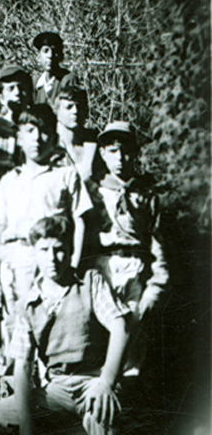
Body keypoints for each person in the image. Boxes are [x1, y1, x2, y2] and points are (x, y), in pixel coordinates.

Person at [0, 216, 129, 435]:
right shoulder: (29, 303)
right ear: (35, 253)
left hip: (92, 382)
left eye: (59, 249)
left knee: (103, 422)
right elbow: (22, 367)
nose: (52, 258)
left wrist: (106, 381)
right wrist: (26, 431)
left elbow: (121, 325)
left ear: (70, 250)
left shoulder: (89, 282)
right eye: (44, 250)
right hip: (55, 389)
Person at [0, 103, 92, 386]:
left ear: (54, 137)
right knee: (15, 330)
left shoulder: (66, 175)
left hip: (52, 262)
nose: (37, 138)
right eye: (30, 131)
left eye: (44, 131)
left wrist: (73, 264)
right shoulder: (8, 181)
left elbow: (80, 221)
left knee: (50, 326)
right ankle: (14, 397)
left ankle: (50, 395)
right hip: (15, 263)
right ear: (19, 137)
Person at [85, 121, 169, 377]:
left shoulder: (146, 194)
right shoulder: (93, 190)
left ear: (136, 153)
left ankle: (126, 392)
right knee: (99, 337)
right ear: (102, 153)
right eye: (112, 151)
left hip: (135, 269)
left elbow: (157, 244)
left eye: (126, 151)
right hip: (103, 267)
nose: (120, 158)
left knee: (133, 336)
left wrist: (156, 285)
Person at [53, 73, 98, 180]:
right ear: (57, 111)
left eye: (79, 106)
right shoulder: (50, 143)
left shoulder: (93, 142)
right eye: (69, 107)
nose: (75, 111)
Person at [32, 31, 69, 105]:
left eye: (55, 51)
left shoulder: (67, 80)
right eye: (46, 51)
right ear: (38, 56)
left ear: (61, 55)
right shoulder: (35, 83)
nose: (50, 55)